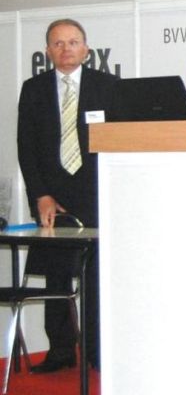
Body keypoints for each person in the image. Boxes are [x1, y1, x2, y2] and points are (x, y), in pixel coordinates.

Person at [17, 18, 117, 372]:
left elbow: (120, 140)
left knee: (98, 277)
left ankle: (97, 351)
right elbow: (26, 147)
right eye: (58, 43)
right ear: (48, 51)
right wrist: (40, 195)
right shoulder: (34, 89)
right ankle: (60, 351)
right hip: (53, 198)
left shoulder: (108, 86)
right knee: (57, 277)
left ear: (86, 49)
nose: (66, 49)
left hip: (97, 193)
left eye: (73, 42)